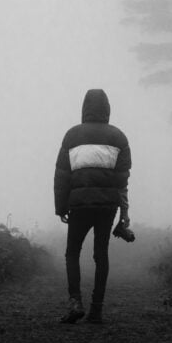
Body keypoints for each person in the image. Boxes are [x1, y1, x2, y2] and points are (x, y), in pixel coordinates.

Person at [53, 89, 131, 324]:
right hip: (107, 206)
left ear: (84, 107)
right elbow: (122, 180)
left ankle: (75, 303)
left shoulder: (72, 136)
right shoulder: (118, 137)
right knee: (101, 254)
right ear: (107, 108)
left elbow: (62, 175)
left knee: (72, 253)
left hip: (79, 206)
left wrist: (61, 207)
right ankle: (96, 310)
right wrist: (124, 213)